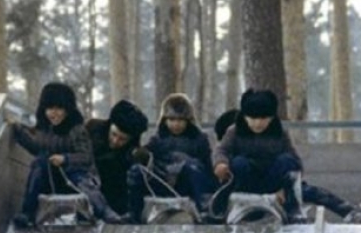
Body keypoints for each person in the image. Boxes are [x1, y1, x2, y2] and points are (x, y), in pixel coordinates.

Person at [213, 108, 360, 221]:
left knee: (308, 191)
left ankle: (352, 213)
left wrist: (285, 187)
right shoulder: (230, 150)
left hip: (272, 185)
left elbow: (294, 162)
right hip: (244, 191)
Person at [11, 82, 100, 228]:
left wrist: (65, 159)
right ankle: (27, 213)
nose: (54, 113)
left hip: (75, 181)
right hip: (54, 180)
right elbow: (36, 148)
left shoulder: (77, 130)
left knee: (42, 163)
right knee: (39, 163)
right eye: (50, 108)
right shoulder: (45, 130)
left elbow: (86, 157)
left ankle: (88, 213)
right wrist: (19, 131)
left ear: (68, 109)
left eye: (59, 108)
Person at [211, 89, 306, 222]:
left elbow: (295, 160)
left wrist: (286, 186)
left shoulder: (279, 133)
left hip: (271, 179)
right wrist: (221, 164)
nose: (258, 123)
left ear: (271, 118)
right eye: (253, 118)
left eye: (263, 118)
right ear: (245, 117)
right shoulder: (234, 131)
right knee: (239, 162)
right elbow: (221, 150)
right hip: (246, 179)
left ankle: (291, 205)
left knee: (287, 160)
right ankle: (230, 198)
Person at [127, 93, 216, 222]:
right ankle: (134, 213)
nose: (176, 124)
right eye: (171, 120)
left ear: (188, 120)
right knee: (137, 171)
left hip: (185, 184)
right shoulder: (159, 139)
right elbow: (146, 154)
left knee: (192, 167)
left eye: (180, 120)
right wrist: (140, 155)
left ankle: (205, 210)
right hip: (163, 182)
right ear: (165, 120)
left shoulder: (198, 139)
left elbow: (207, 167)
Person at [85, 99, 150, 221]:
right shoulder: (92, 129)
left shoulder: (132, 150)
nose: (115, 141)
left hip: (115, 195)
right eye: (113, 134)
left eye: (122, 139)